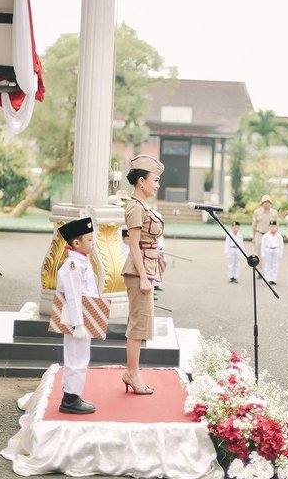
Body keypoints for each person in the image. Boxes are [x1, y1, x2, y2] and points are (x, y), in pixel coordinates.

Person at [121, 154, 164, 395]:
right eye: (155, 180)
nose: (158, 185)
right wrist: (145, 277)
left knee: (142, 324)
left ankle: (134, 372)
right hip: (139, 272)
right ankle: (132, 373)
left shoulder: (144, 206)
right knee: (137, 326)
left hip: (146, 270)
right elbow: (133, 244)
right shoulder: (135, 207)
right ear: (141, 182)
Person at [56, 217, 97, 414]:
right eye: (89, 240)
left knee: (80, 355)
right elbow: (72, 296)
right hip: (76, 320)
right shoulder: (73, 265)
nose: (93, 242)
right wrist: (79, 324)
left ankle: (72, 394)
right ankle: (70, 399)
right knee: (75, 356)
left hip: (84, 317)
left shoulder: (82, 261)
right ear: (76, 243)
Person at [252, 195, 278, 261]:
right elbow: (254, 226)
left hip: (269, 235)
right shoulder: (257, 212)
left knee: (269, 253)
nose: (266, 204)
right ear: (262, 204)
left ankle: (267, 269)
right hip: (259, 234)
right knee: (258, 252)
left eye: (268, 203)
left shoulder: (274, 213)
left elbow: (276, 225)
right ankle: (259, 269)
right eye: (265, 203)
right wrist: (254, 237)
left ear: (271, 204)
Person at [261, 220, 284, 285]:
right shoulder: (266, 236)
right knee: (268, 265)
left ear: (276, 227)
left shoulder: (279, 236)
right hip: (268, 250)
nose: (273, 228)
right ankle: (268, 279)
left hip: (276, 250)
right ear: (269, 227)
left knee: (275, 265)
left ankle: (273, 279)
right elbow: (263, 245)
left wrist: (280, 254)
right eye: (271, 226)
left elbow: (281, 246)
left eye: (274, 226)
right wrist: (263, 254)